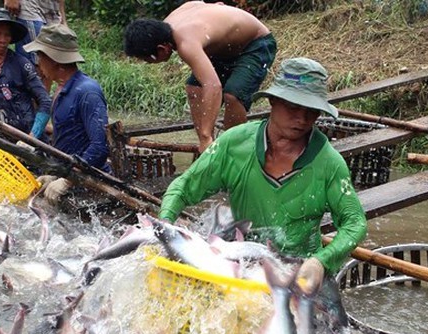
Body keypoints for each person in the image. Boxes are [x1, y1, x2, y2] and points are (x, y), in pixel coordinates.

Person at [158, 58, 368, 296]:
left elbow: (355, 223)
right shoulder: (234, 145)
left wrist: (321, 261)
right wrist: (165, 224)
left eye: (311, 112)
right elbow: (183, 187)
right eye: (293, 107)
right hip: (243, 264)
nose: (302, 119)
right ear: (272, 101)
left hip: (299, 276)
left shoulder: (329, 163)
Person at [123, 1, 277, 153]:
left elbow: (213, 86)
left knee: (233, 95)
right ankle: (208, 145)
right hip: (224, 50)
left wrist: (204, 136)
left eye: (147, 59)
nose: (148, 63)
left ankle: (233, 150)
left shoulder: (185, 42)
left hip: (255, 45)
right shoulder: (165, 27)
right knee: (194, 89)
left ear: (161, 48)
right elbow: (198, 3)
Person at [23, 23, 111, 205]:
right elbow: (66, 139)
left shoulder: (87, 92)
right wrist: (53, 173)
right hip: (68, 174)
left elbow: (100, 146)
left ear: (53, 59)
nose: (38, 62)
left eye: (40, 55)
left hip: (90, 184)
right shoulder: (62, 88)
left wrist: (68, 180)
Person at [0, 8, 51, 138]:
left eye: (7, 35)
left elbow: (45, 101)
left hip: (26, 137)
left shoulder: (21, 64)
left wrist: (32, 138)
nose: (3, 40)